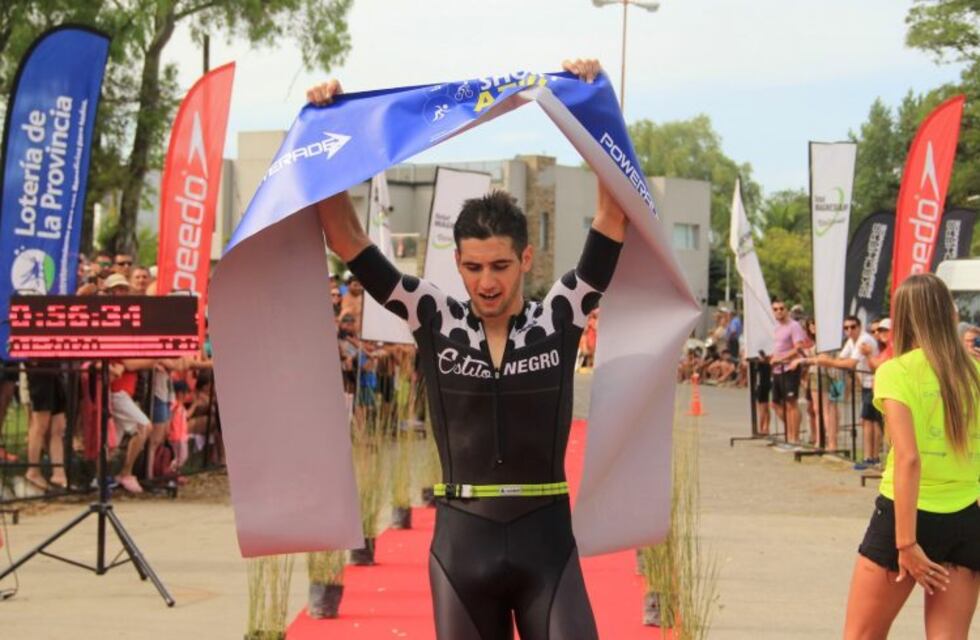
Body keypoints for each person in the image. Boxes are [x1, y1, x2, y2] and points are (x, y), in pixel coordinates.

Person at [308, 57, 621, 640]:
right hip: (461, 546)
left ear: (525, 260)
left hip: (546, 543)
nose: (487, 282)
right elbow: (346, 238)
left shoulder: (561, 313)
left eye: (501, 265)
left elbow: (612, 214)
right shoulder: (432, 316)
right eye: (474, 267)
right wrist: (330, 129)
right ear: (458, 264)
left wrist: (596, 104)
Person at [843, 273, 979, 639]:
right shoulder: (975, 372)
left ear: (904, 317)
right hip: (965, 517)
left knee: (862, 635)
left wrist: (906, 542)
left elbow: (909, 458)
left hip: (905, 517)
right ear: (949, 314)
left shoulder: (896, 371)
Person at [104, 273, 155, 493]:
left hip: (126, 389)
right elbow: (129, 363)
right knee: (144, 426)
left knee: (115, 440)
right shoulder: (110, 323)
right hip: (115, 390)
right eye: (117, 290)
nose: (121, 294)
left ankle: (107, 478)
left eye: (124, 290)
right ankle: (125, 473)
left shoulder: (126, 323)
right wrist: (155, 358)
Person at [813, 316, 880, 469]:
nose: (849, 330)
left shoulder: (864, 340)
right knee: (866, 421)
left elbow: (850, 363)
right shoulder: (851, 341)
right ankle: (868, 456)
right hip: (863, 383)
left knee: (872, 422)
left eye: (853, 327)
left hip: (873, 383)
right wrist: (826, 360)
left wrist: (828, 362)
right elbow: (842, 358)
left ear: (859, 326)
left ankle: (872, 457)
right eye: (846, 328)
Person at [769, 298, 808, 444]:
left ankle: (794, 437)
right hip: (777, 370)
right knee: (775, 404)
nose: (779, 311)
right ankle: (791, 430)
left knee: (791, 403)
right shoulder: (774, 326)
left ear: (786, 310)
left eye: (781, 308)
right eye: (776, 309)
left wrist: (782, 357)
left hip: (790, 367)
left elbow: (798, 347)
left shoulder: (794, 325)